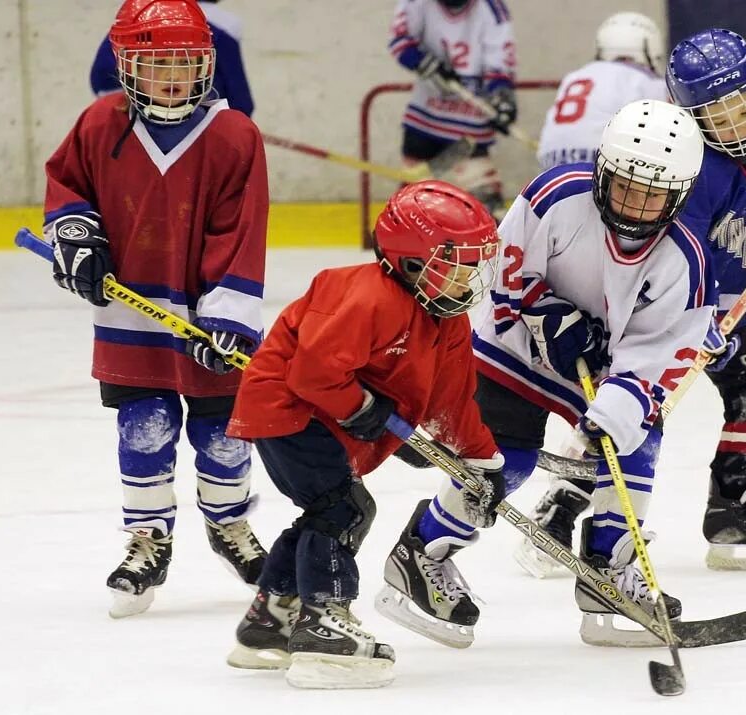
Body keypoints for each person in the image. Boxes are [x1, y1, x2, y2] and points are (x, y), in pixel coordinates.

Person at [374, 99, 716, 648]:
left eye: (653, 195)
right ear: (603, 168)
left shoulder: (687, 263)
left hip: (603, 373)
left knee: (636, 441)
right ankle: (422, 552)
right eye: (625, 185)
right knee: (502, 462)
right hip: (513, 351)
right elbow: (500, 269)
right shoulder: (555, 196)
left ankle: (607, 572)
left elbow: (655, 357)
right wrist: (546, 313)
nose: (635, 204)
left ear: (679, 194)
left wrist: (617, 409)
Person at [519, 28, 746, 577]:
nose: (736, 124)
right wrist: (688, 323)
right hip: (664, 309)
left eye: (743, 105)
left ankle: (733, 512)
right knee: (634, 413)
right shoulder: (691, 168)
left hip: (725, 304)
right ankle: (559, 510)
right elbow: (669, 253)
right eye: (716, 114)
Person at [223, 181, 503, 689]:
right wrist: (364, 408)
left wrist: (482, 463)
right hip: (287, 406)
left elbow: (451, 404)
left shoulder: (448, 319)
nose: (470, 277)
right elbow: (312, 375)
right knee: (345, 509)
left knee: (329, 510)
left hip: (325, 415)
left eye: (474, 263)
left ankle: (270, 622)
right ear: (415, 261)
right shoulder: (368, 297)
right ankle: (323, 621)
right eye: (459, 263)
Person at [44, 0, 269, 618]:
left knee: (224, 431)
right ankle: (148, 538)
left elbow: (242, 232)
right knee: (144, 428)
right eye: (157, 63)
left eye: (185, 62)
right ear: (126, 65)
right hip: (130, 315)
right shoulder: (98, 123)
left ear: (207, 63)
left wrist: (223, 317)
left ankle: (230, 525)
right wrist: (74, 233)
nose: (172, 76)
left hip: (207, 317)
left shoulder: (233, 134)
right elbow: (66, 188)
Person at [388, 0, 517, 220]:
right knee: (411, 214)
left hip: (469, 133)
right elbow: (400, 40)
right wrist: (424, 62)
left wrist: (501, 98)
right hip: (425, 124)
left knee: (486, 214)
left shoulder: (491, 9)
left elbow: (500, 67)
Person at [537, 11, 668, 170]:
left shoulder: (573, 77)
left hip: (549, 160)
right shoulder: (647, 82)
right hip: (603, 160)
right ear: (650, 47)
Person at [90, 0, 255, 117]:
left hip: (123, 104)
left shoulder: (140, 10)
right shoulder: (226, 24)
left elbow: (101, 76)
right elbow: (240, 99)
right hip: (195, 113)